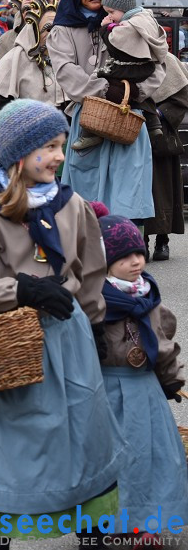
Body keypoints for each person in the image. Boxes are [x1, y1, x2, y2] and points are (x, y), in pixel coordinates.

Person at [0, 99, 125, 549]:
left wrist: (98, 327)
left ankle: (93, 526)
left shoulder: (73, 205)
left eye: (62, 145)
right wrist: (19, 290)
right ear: (20, 154)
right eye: (49, 146)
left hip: (71, 338)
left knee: (85, 429)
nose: (60, 156)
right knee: (13, 437)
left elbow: (91, 273)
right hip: (15, 345)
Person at [95, 213, 187, 540]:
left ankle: (150, 525)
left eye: (139, 254)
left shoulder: (147, 294)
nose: (136, 262)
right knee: (116, 461)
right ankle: (114, 520)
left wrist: (171, 379)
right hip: (108, 391)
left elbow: (162, 344)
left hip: (145, 391)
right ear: (105, 260)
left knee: (157, 458)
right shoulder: (95, 300)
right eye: (125, 257)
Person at [49, 0, 162, 220]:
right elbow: (66, 71)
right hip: (90, 119)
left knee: (128, 196)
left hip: (129, 118)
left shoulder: (135, 19)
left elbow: (159, 64)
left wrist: (134, 92)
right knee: (86, 203)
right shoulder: (62, 29)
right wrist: (103, 90)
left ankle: (127, 253)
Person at [70, 0, 167, 151]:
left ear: (124, 8)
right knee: (135, 93)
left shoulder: (131, 25)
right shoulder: (145, 18)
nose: (109, 16)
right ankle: (153, 123)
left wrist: (104, 29)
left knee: (106, 87)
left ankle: (92, 132)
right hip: (144, 69)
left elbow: (115, 45)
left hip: (129, 68)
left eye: (111, 12)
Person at [0, 0, 61, 116]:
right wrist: (22, 122)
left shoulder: (63, 53)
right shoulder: (15, 53)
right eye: (27, 9)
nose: (32, 12)